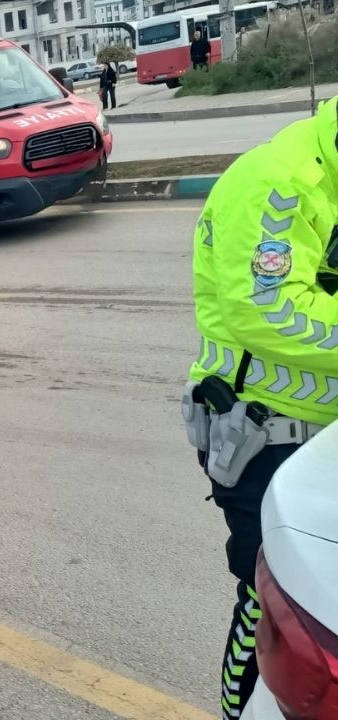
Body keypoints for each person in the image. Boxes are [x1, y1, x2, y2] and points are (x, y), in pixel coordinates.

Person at [184, 96, 338, 720]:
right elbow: (270, 311)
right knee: (270, 605)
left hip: (323, 443)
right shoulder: (277, 181)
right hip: (261, 440)